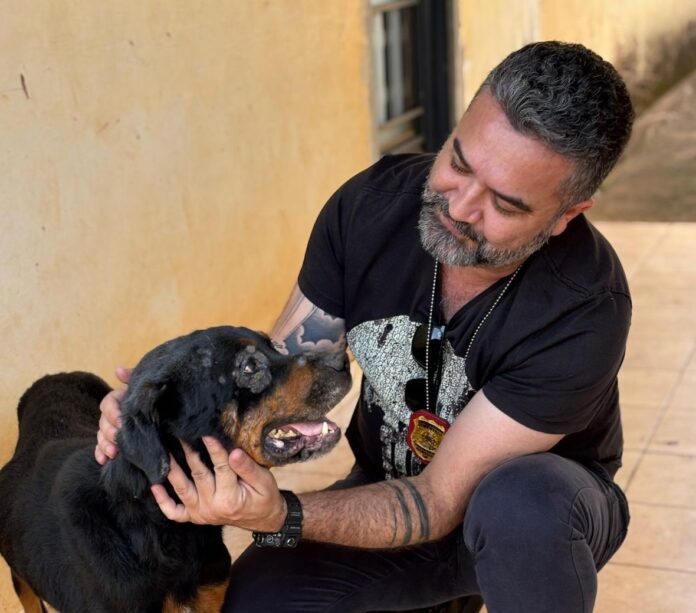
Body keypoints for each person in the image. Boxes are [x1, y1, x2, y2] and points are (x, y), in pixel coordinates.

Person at [96, 41, 634, 612]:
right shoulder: (369, 209)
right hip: (388, 490)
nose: (459, 208)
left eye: (504, 205)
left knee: (520, 509)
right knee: (256, 601)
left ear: (566, 215)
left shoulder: (584, 307)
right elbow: (283, 381)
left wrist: (284, 514)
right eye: (458, 163)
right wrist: (149, 418)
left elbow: (439, 499)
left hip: (533, 523)